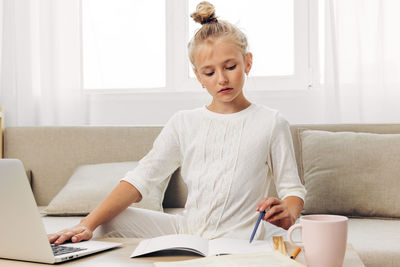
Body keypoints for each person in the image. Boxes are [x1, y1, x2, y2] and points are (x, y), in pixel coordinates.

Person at [48, 1, 306, 246]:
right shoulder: (184, 122)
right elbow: (141, 179)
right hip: (189, 232)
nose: (221, 79)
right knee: (108, 219)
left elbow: (292, 188)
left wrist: (289, 213)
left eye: (230, 67)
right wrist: (87, 223)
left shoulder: (271, 122)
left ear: (247, 62)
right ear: (198, 76)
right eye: (209, 72)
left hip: (242, 237)